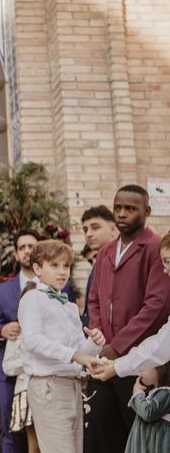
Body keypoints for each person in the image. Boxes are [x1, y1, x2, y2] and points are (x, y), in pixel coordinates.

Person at [84, 186, 170, 453]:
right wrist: (99, 334)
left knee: (137, 431)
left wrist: (117, 347)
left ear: (147, 212)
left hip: (140, 360)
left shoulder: (156, 247)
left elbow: (156, 305)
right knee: (98, 427)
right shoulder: (106, 252)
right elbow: (94, 298)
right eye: (118, 207)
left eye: (130, 209)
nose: (121, 214)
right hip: (105, 354)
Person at [0, 229, 73, 453]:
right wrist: (3, 329)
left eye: (31, 246)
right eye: (22, 247)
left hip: (47, 372)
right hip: (13, 372)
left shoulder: (58, 285)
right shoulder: (4, 289)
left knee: (46, 433)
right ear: (17, 254)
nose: (26, 250)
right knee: (12, 428)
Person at [18, 240, 105, 453]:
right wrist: (76, 355)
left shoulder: (70, 307)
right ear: (37, 269)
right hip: (48, 386)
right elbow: (32, 340)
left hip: (72, 386)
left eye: (66, 266)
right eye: (54, 265)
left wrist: (94, 344)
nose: (62, 271)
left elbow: (80, 355)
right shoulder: (33, 298)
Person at [88, 231, 170, 381]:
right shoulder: (104, 252)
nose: (165, 270)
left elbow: (160, 347)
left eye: (168, 261)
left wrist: (117, 365)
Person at [80, 205, 118, 327]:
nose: (88, 234)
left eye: (95, 228)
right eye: (85, 230)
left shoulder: (119, 261)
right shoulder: (100, 261)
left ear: (113, 230)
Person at [124, 362, 170, 453]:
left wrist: (137, 394)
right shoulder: (151, 393)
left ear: (160, 368)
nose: (139, 373)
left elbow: (148, 412)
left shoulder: (167, 394)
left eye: (143, 368)